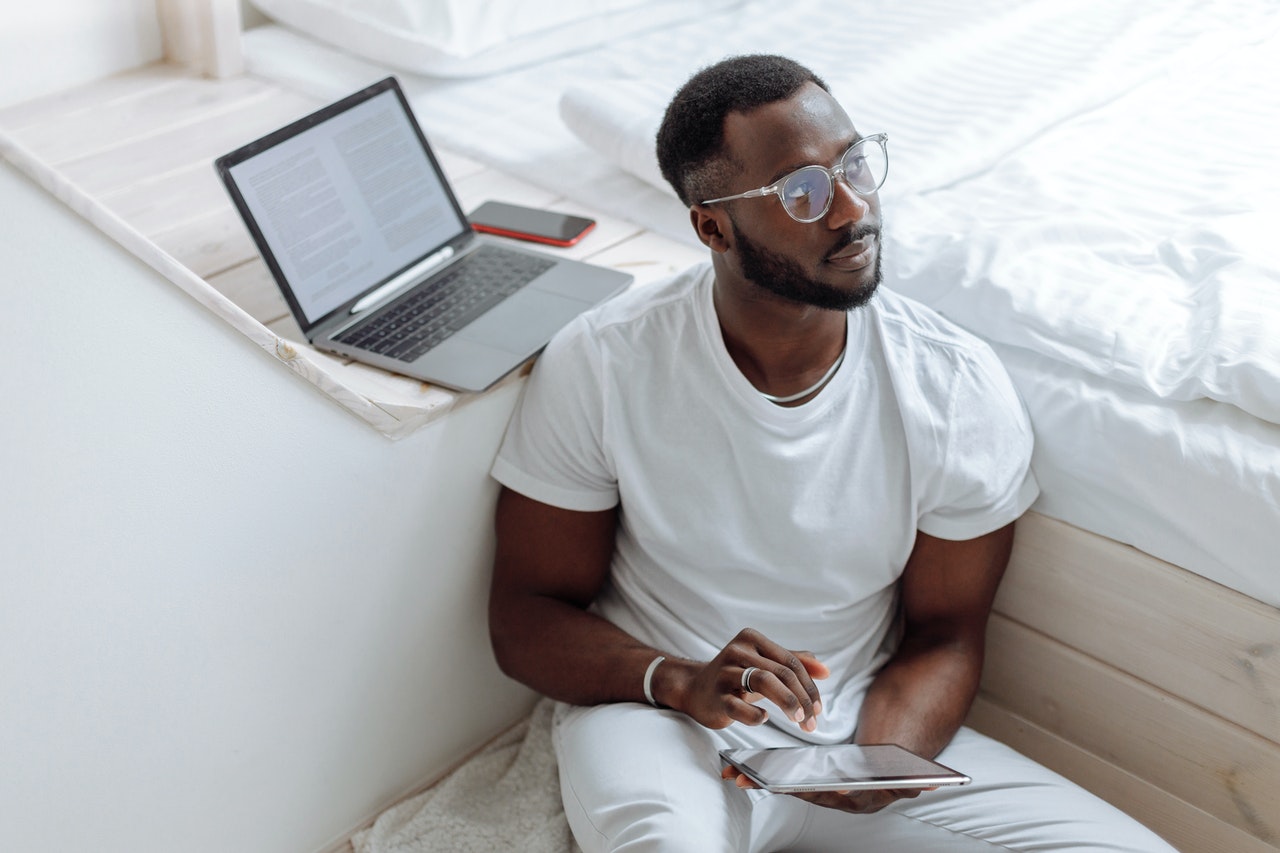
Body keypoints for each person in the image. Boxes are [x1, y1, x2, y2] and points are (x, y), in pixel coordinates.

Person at [487, 54, 1175, 852]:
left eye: (852, 164)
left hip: (854, 736)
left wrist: (879, 762)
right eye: (801, 192)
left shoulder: (950, 385)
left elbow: (948, 631)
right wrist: (675, 678)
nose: (853, 208)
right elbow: (524, 617)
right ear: (713, 226)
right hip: (662, 723)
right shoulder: (607, 361)